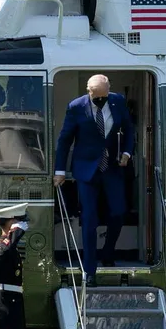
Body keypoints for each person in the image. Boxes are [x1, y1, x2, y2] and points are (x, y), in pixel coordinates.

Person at [53, 74, 135, 285]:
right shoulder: (76, 106)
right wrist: (59, 170)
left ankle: (108, 252)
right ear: (89, 91)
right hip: (86, 169)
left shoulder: (118, 101)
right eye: (96, 97)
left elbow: (129, 129)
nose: (100, 100)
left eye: (103, 96)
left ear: (109, 90)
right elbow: (64, 140)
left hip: (113, 168)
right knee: (90, 219)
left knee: (118, 212)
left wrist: (127, 152)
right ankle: (89, 270)